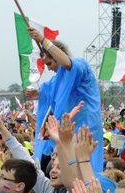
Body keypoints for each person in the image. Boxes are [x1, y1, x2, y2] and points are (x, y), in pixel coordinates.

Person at [26, 27, 105, 172]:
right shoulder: (58, 80)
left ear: (58, 56)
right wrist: (40, 94)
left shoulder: (81, 65)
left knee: (85, 166)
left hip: (85, 124)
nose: (49, 69)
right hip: (68, 129)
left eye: (50, 63)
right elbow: (51, 92)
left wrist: (43, 41)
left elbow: (69, 64)